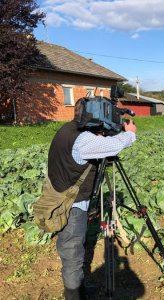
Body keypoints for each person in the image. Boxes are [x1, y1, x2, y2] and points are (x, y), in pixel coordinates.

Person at [47, 99, 137, 300]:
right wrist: (129, 133)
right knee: (73, 253)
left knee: (74, 249)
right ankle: (74, 295)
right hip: (72, 205)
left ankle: (78, 288)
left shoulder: (68, 129)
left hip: (62, 196)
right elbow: (114, 145)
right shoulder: (83, 140)